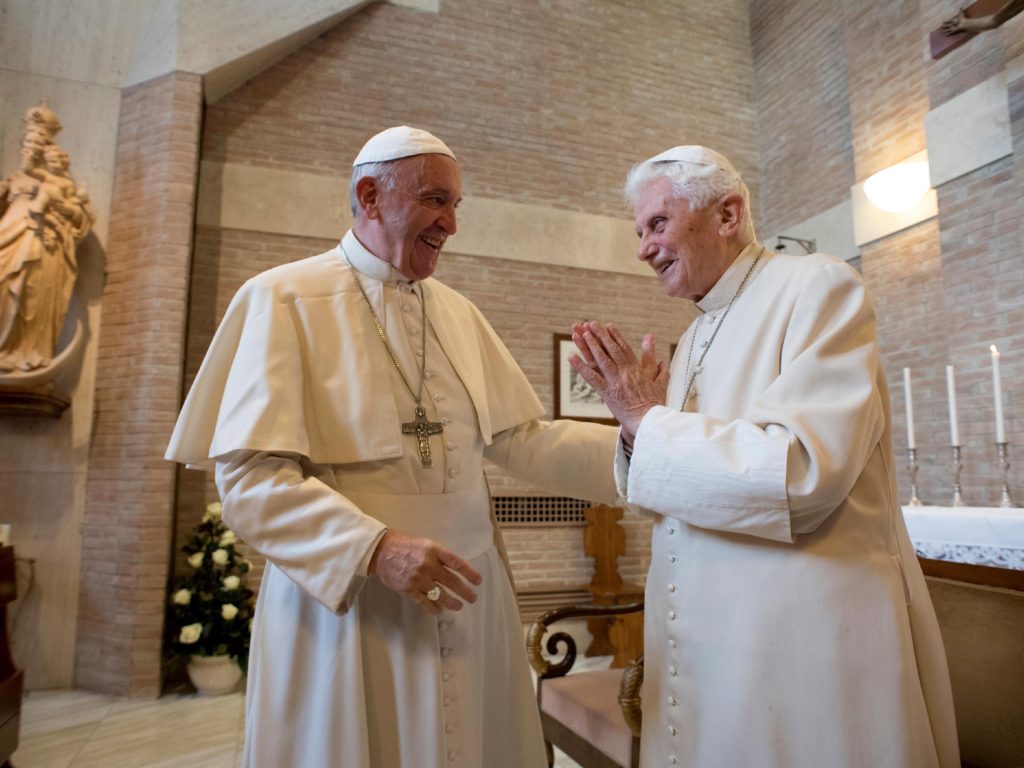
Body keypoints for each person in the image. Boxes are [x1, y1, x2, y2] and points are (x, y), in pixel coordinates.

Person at [166, 126, 619, 768]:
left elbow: (521, 438)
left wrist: (639, 444)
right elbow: (251, 483)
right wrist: (373, 548)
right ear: (370, 196)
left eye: (457, 206)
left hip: (468, 597)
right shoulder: (282, 298)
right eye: (436, 201)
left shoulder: (459, 313)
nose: (451, 225)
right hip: (350, 608)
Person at [570, 145, 959, 767]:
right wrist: (635, 430)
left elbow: (803, 471)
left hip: (801, 644)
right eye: (639, 231)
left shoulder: (817, 286)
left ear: (727, 214)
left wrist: (648, 419)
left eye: (658, 224)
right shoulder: (697, 330)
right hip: (714, 642)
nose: (643, 247)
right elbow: (688, 484)